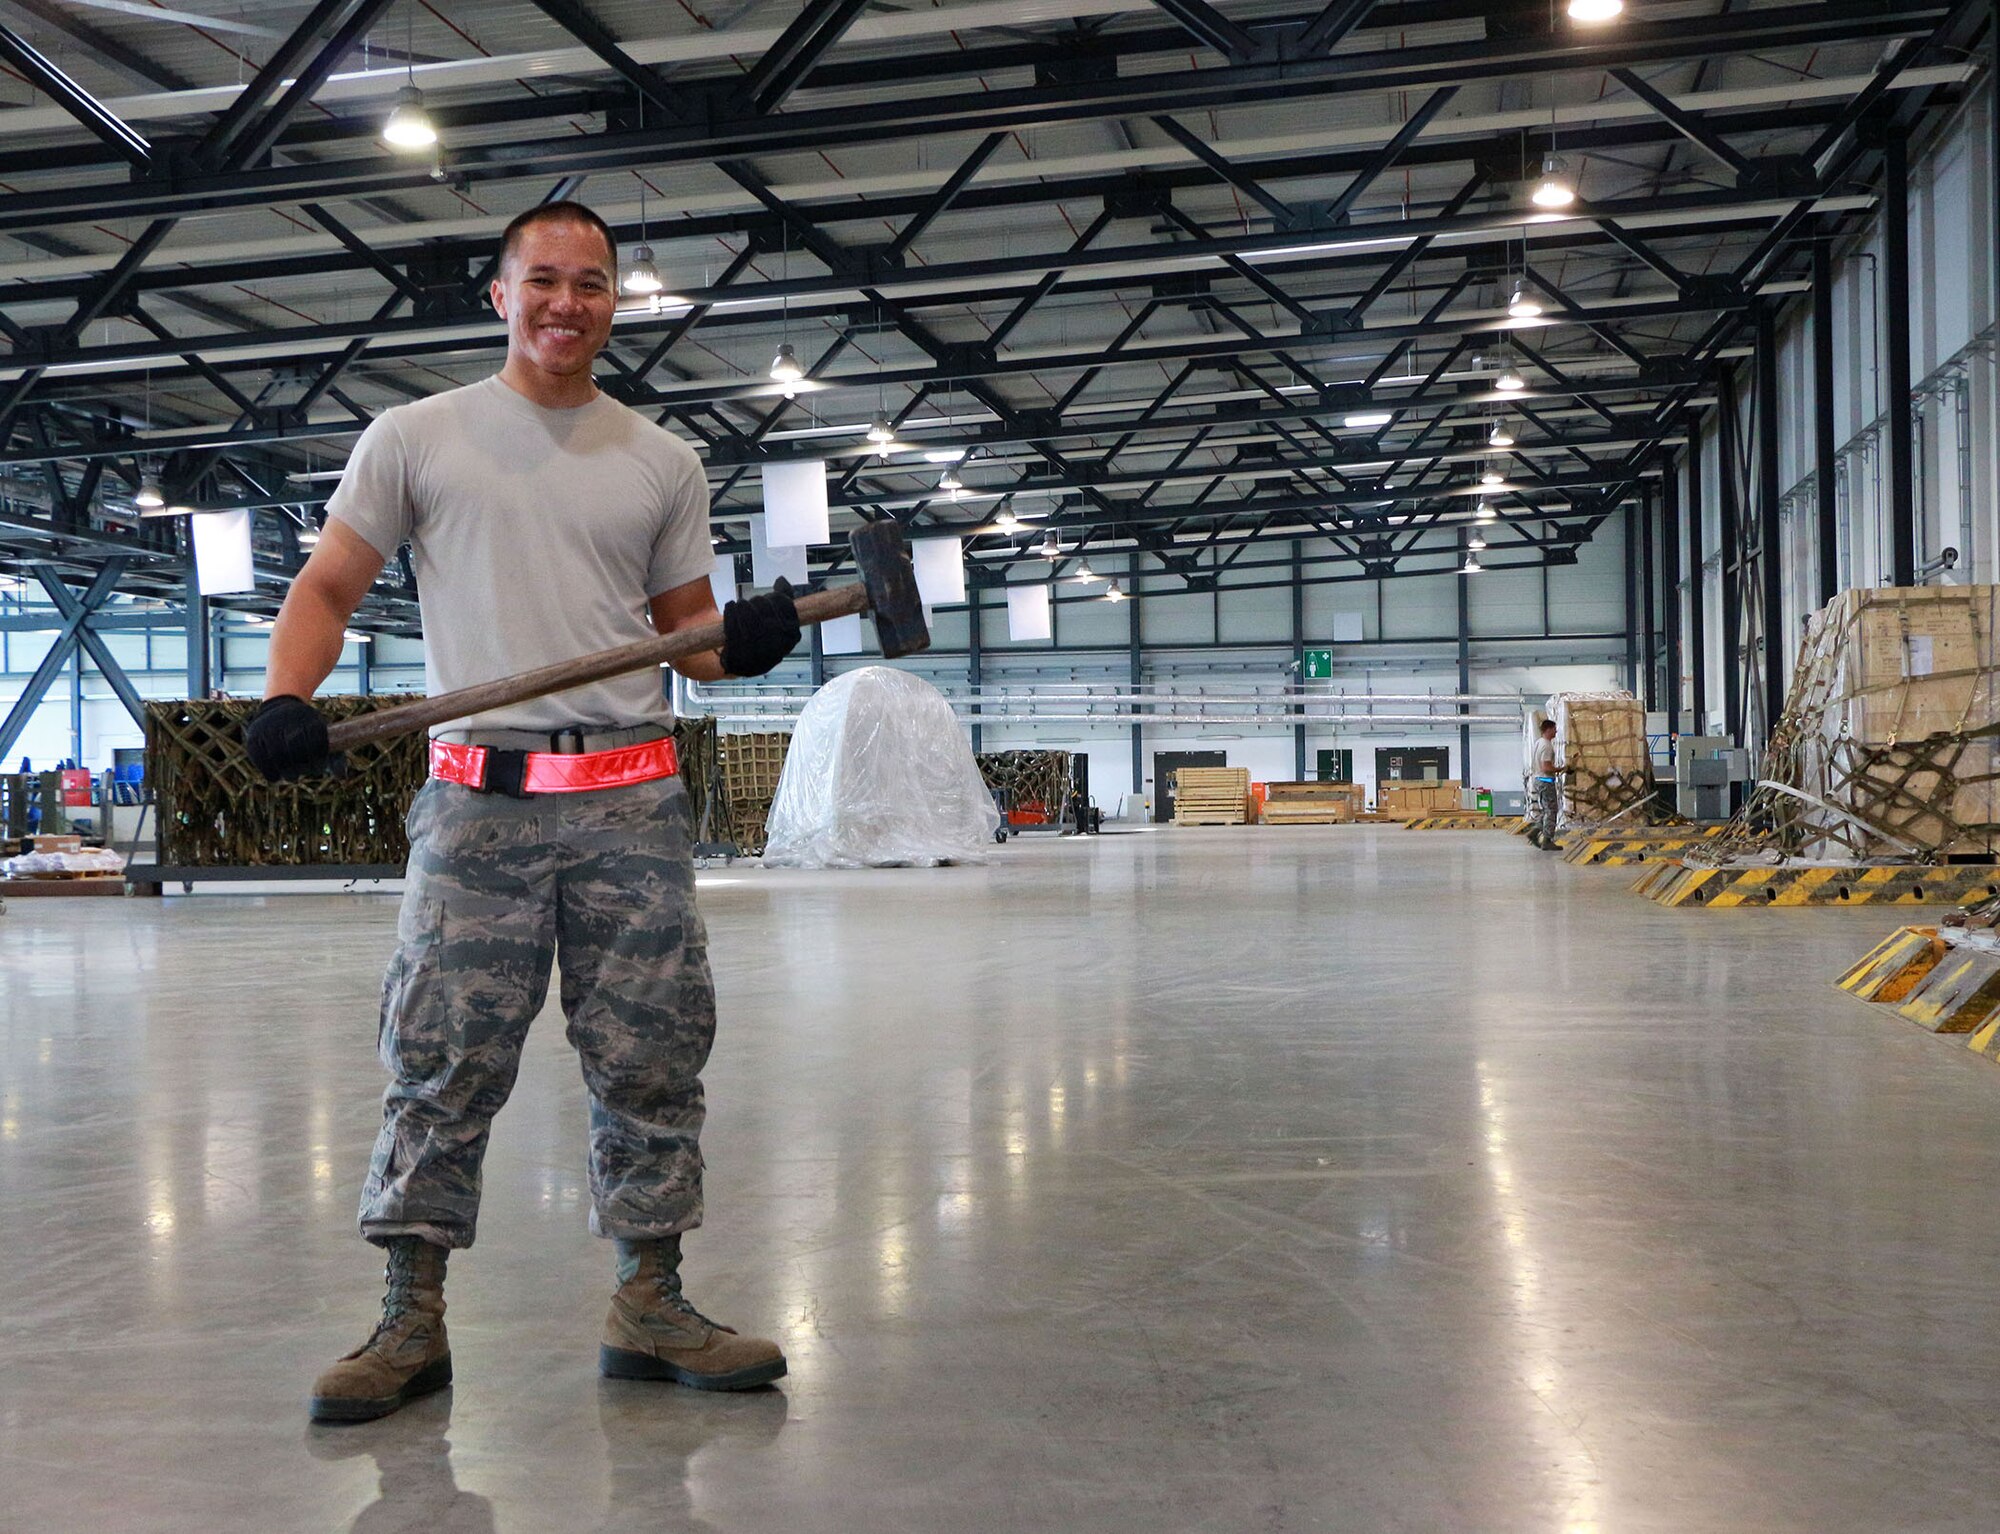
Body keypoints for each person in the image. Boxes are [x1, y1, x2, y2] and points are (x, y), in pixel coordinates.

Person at [244, 201, 802, 1424]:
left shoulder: (660, 458)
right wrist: (288, 696)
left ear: (616, 302)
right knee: (439, 1060)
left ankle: (650, 1302)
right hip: (476, 806)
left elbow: (687, 643)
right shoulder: (418, 437)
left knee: (652, 1057)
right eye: (541, 280)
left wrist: (745, 641)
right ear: (499, 294)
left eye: (591, 283)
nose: (566, 303)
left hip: (630, 803)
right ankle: (410, 1316)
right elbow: (330, 583)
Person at [1527, 719, 1563, 850]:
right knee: (1552, 810)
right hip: (1546, 781)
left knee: (1546, 809)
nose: (1556, 731)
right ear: (1548, 729)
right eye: (1554, 729)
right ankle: (1547, 839)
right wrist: (1561, 769)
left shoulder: (1538, 742)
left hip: (1538, 780)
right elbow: (1546, 767)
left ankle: (1535, 831)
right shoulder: (1547, 745)